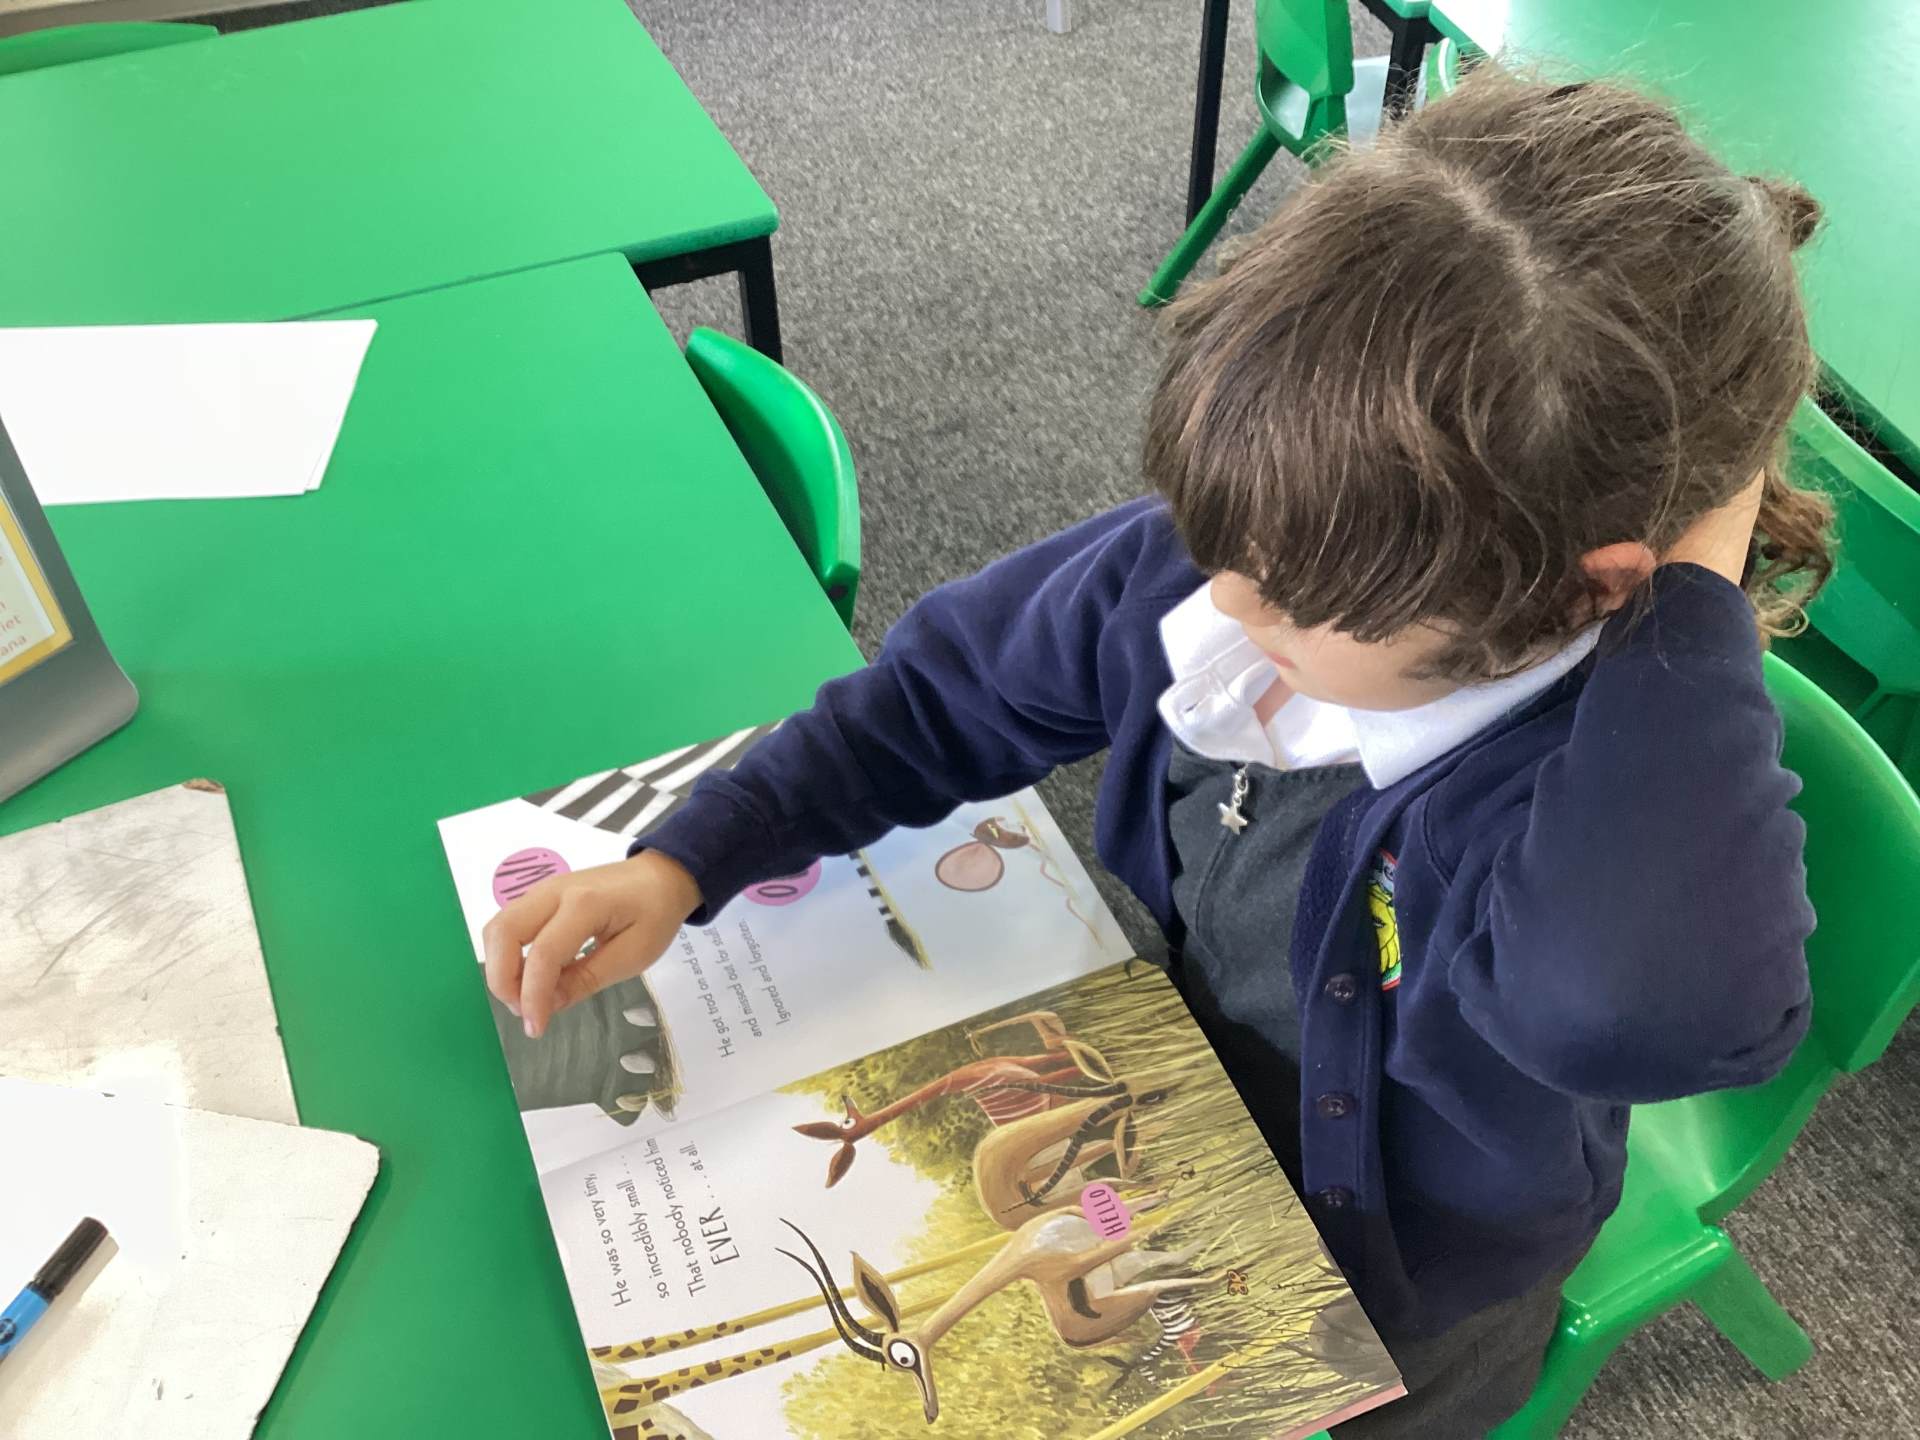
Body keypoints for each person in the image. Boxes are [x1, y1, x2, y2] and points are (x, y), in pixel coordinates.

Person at [483, 71, 1831, 1436]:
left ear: (1576, 591)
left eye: (1295, 595)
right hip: (1192, 1119)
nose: (1224, 602)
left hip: (1407, 1294)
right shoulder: (1251, 568)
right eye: (1218, 539)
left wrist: (1698, 581)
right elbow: (944, 693)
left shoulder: (1566, 800)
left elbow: (1632, 1008)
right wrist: (688, 858)